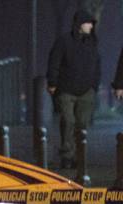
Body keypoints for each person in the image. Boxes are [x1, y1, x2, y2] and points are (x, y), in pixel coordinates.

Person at [47, 10, 101, 169]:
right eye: (88, 23)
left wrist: (94, 86)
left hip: (86, 91)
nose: (91, 26)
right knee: (68, 121)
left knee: (82, 124)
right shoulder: (63, 41)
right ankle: (66, 155)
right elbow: (54, 62)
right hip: (66, 90)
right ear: (79, 24)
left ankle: (79, 156)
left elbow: (97, 64)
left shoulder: (92, 42)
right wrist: (52, 82)